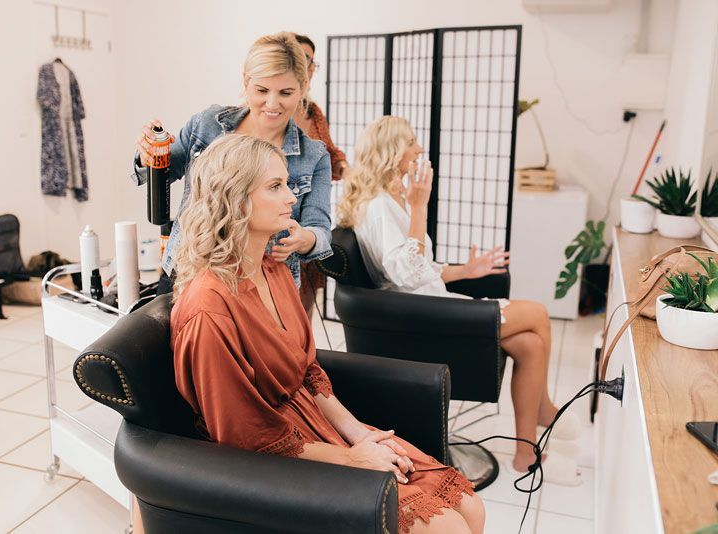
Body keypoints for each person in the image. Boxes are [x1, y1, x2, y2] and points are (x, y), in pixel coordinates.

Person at [171, 133, 486, 534]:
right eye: (275, 186)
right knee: (448, 529)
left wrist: (358, 434)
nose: (291, 197)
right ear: (234, 199)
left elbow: (308, 371)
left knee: (470, 508)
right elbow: (244, 438)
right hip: (270, 462)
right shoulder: (208, 310)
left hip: (318, 426)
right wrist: (353, 460)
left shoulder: (274, 268)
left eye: (287, 182)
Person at [337, 116, 583, 486]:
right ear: (390, 152)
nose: (419, 149)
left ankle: (524, 452)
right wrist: (420, 208)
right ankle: (545, 409)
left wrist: (467, 270)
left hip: (429, 307)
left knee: (530, 344)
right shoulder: (377, 207)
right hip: (419, 322)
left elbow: (418, 270)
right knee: (538, 313)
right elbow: (404, 273)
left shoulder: (392, 198)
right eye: (411, 142)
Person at [131, 32, 332, 294]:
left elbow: (321, 230)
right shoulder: (207, 125)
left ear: (303, 88)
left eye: (286, 92)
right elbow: (158, 174)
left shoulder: (314, 156)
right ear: (246, 82)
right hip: (190, 274)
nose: (272, 104)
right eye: (261, 90)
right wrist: (148, 157)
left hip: (264, 284)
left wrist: (306, 239)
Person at [292, 33, 348, 314]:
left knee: (304, 308)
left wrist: (347, 170)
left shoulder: (313, 112)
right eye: (299, 58)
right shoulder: (267, 110)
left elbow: (329, 150)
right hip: (278, 223)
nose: (306, 66)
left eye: (310, 61)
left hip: (311, 219)